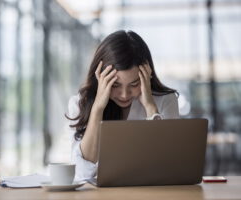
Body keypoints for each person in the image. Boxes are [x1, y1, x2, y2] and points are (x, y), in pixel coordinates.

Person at [66, 30, 179, 181]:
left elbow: (169, 166)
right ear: (100, 78)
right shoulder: (80, 104)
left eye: (134, 84)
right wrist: (98, 108)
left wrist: (151, 108)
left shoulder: (166, 101)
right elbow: (82, 174)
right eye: (115, 85)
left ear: (147, 76)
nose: (124, 94)